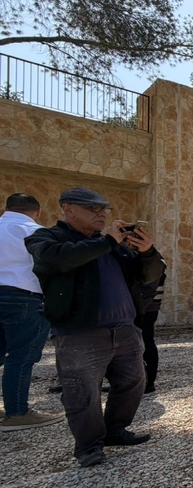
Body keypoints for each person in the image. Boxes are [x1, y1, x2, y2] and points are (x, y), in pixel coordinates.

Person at [25, 188, 166, 467]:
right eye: (92, 209)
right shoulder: (47, 239)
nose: (101, 214)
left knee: (133, 382)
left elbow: (150, 274)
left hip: (125, 329)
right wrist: (109, 242)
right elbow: (59, 259)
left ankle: (115, 430)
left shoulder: (113, 246)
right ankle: (89, 446)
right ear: (68, 209)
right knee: (82, 391)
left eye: (104, 209)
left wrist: (148, 252)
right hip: (81, 332)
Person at [0, 194, 62, 431]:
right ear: (37, 212)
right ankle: (17, 413)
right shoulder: (35, 232)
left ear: (7, 208)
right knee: (21, 357)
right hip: (23, 296)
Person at [137, 263, 166, 393]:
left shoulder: (153, 260)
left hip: (146, 309)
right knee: (142, 342)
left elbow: (149, 288)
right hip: (145, 307)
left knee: (146, 342)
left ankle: (148, 383)